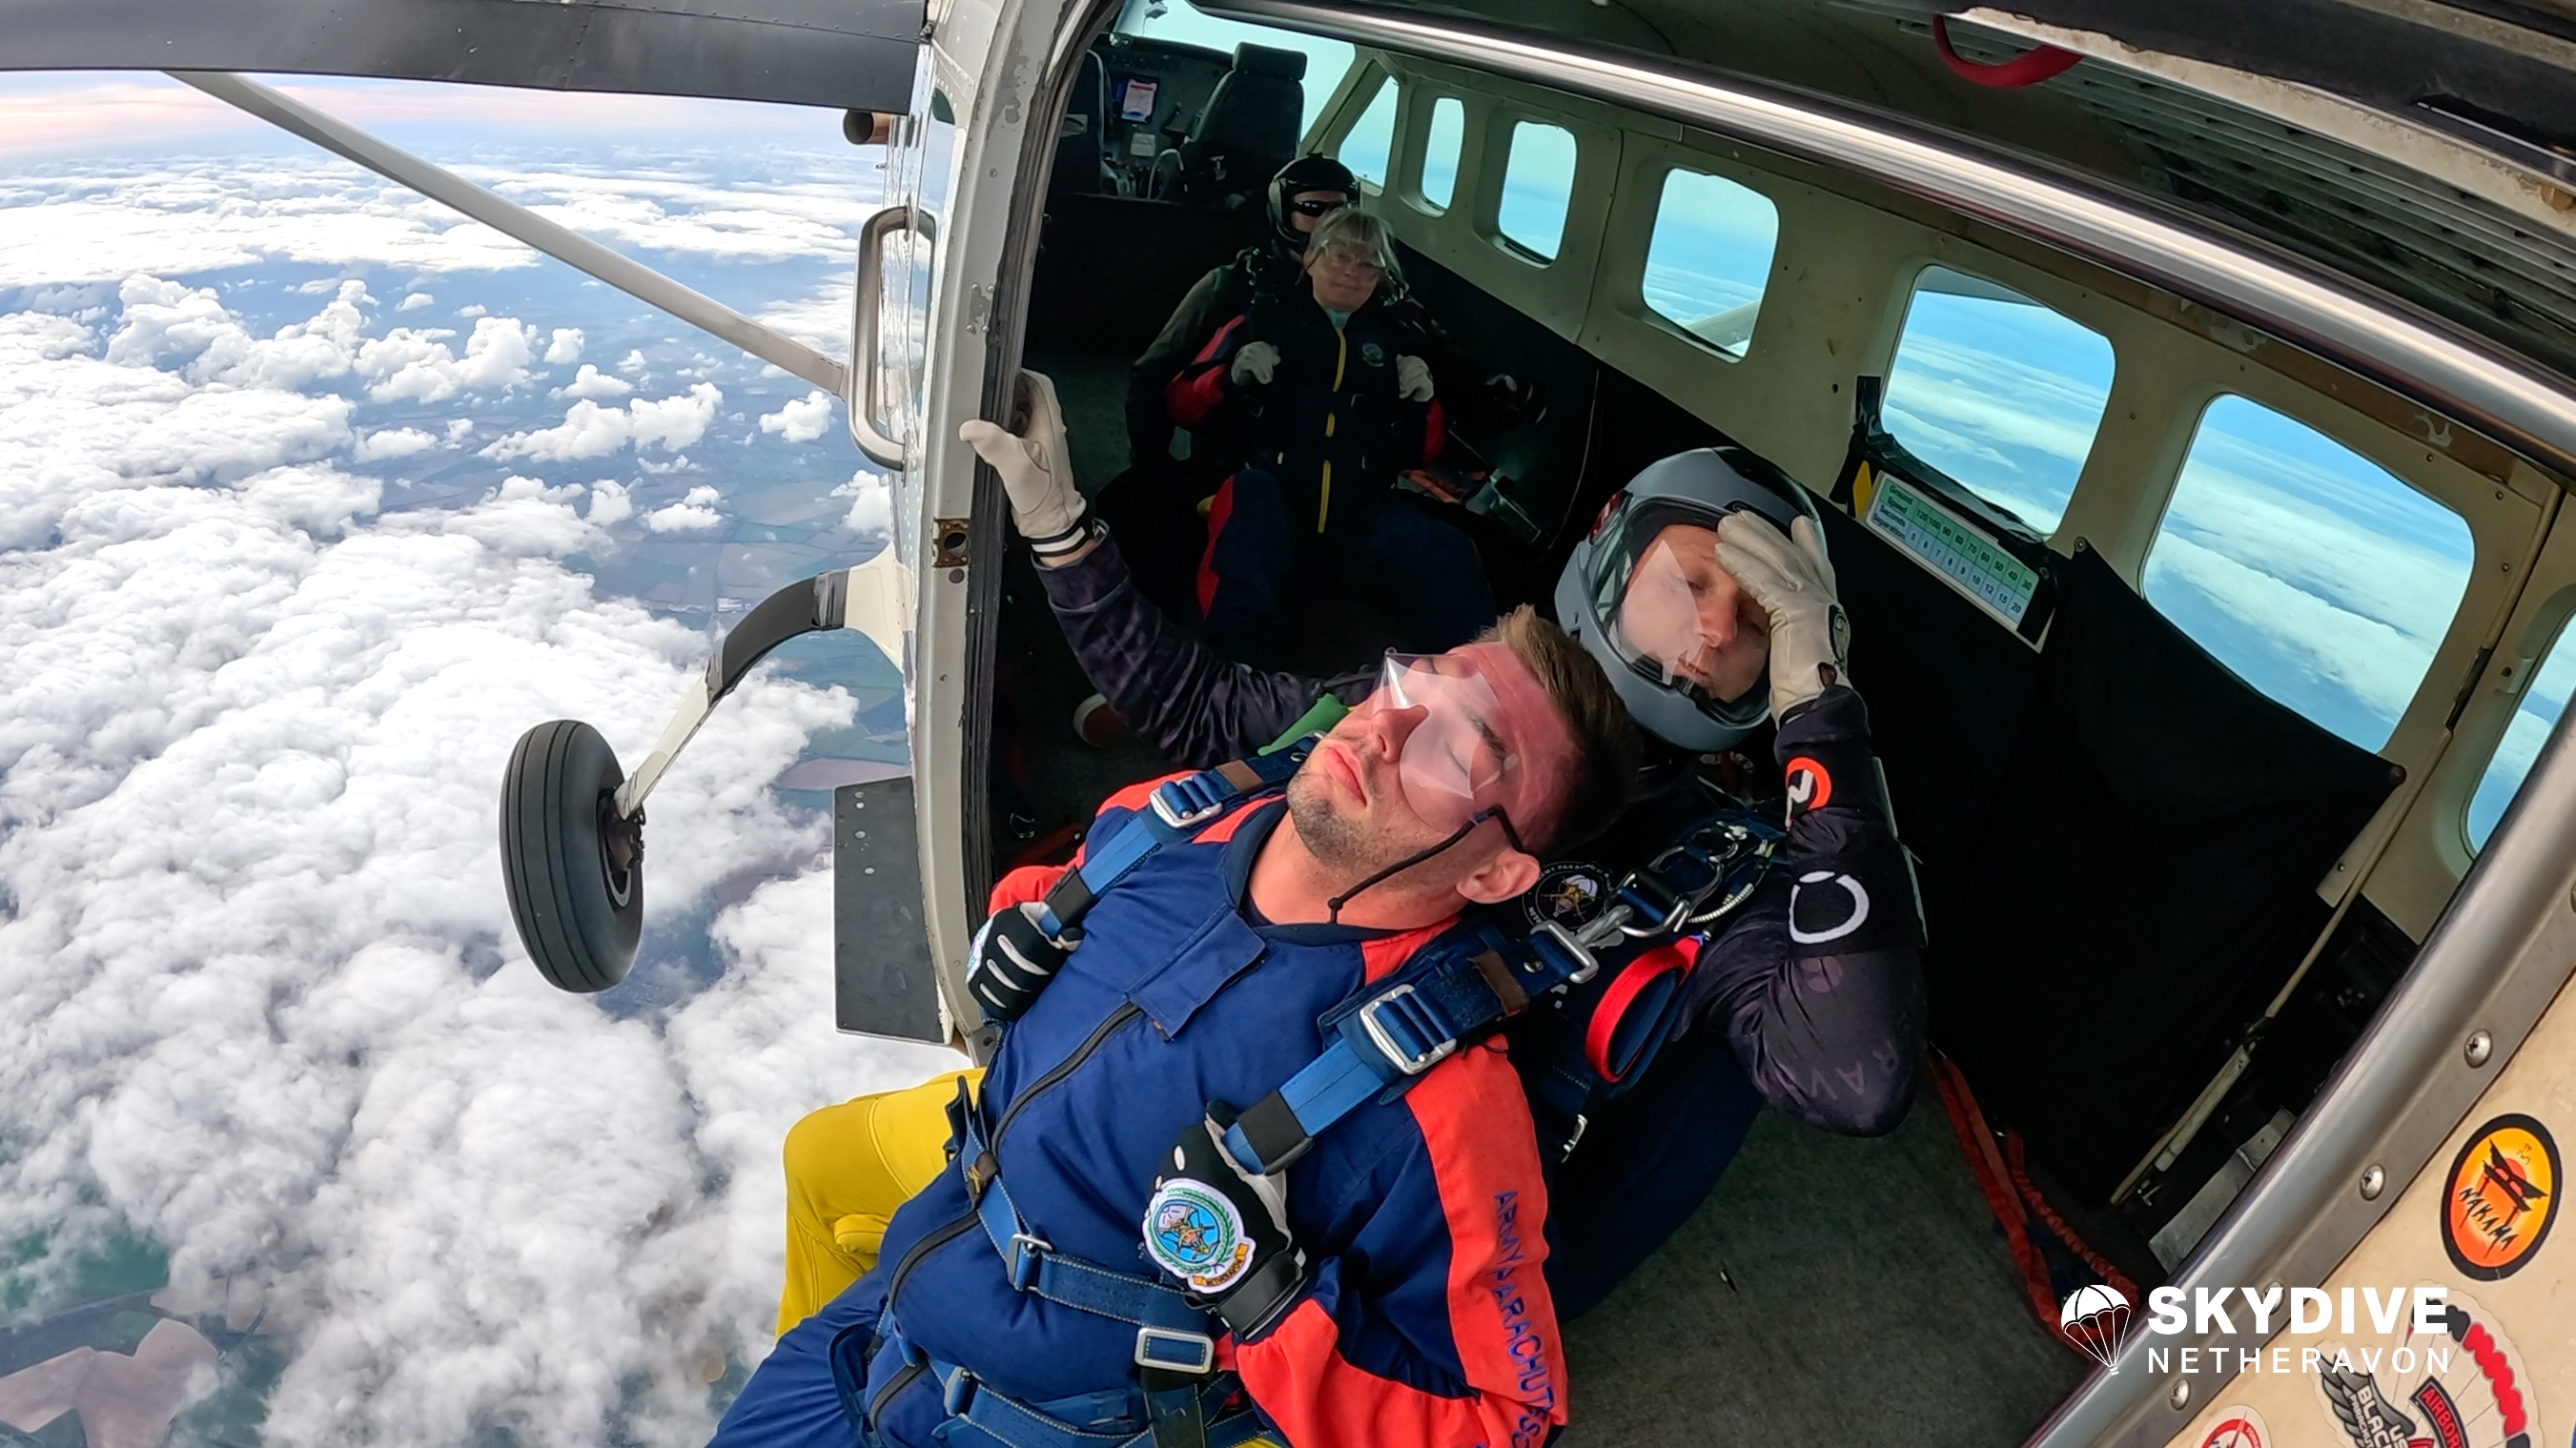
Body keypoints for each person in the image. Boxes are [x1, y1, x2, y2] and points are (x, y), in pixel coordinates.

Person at [961, 376, 1926, 1318]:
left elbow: (1857, 1075)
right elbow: (1201, 710)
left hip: (1403, 1297)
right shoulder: (1418, 708)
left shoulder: (1719, 874)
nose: (1714, 628)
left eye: (1759, 625)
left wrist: (1821, 720)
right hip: (1216, 1150)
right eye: (1690, 582)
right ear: (1613, 559)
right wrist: (1061, 530)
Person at [711, 602, 1643, 1448]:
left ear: (1492, 874)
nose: (1385, 723)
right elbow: (1084, 888)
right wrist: (1019, 917)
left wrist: (1267, 1300)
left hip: (1026, 1421)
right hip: (894, 1309)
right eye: (1411, 682)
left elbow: (1506, 1422)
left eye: (1455, 748)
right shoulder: (1185, 815)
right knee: (817, 1157)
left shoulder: (1446, 1111)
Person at [1167, 206, 1495, 667]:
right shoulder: (1261, 323)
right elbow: (1180, 401)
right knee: (1248, 496)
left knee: (1445, 547)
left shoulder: (1394, 342)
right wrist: (1228, 379)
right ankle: (1239, 666)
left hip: (1357, 516)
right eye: (1339, 255)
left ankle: (1473, 676)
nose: (1352, 273)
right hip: (1279, 507)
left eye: (1368, 264)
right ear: (1311, 258)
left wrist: (1422, 403)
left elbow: (1423, 454)